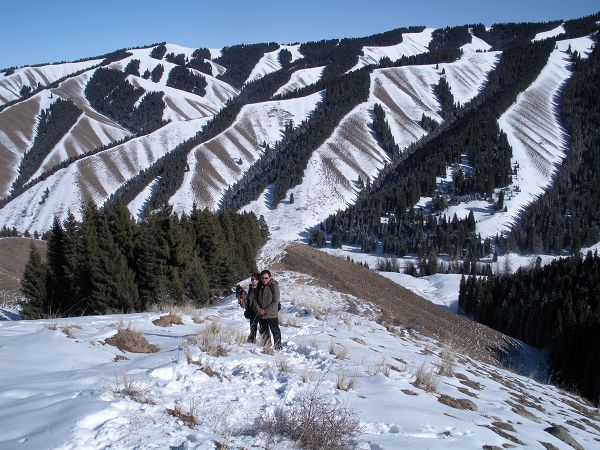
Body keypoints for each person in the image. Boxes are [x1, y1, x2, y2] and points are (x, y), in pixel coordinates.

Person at [255, 269, 282, 350]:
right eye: (263, 278)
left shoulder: (274, 286)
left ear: (270, 277)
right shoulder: (259, 285)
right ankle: (267, 347)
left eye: (266, 278)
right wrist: (258, 309)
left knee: (275, 332)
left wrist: (265, 310)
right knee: (264, 332)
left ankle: (278, 348)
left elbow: (276, 301)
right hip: (261, 314)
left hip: (271, 314)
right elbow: (255, 299)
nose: (264, 280)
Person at [243, 273, 261, 343]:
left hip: (259, 311)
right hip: (252, 311)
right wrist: (247, 307)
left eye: (253, 279)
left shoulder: (261, 288)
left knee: (263, 329)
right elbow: (249, 299)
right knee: (253, 328)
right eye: (251, 279)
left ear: (258, 280)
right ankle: (251, 342)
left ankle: (265, 343)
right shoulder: (251, 288)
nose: (251, 281)